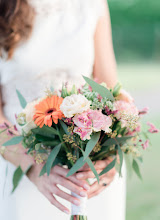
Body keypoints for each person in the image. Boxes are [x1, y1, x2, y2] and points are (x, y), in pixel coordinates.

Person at [0, 0, 126, 219]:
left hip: (88, 172)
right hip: (21, 164)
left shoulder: (93, 4)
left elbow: (110, 90)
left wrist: (110, 154)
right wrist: (33, 167)